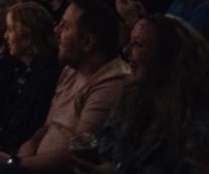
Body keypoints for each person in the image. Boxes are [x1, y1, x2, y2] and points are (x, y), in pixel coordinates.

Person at [0, 0, 129, 173]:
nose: (56, 30)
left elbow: (76, 154)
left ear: (87, 42)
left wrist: (14, 162)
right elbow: (47, 126)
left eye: (65, 26)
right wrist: (20, 158)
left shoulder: (110, 83)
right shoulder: (70, 70)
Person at [72, 15, 209, 173]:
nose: (126, 49)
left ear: (168, 59)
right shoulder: (130, 100)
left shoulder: (198, 123)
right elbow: (106, 152)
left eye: (137, 44)